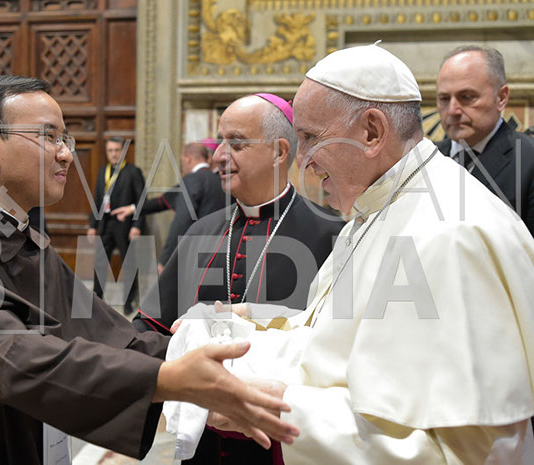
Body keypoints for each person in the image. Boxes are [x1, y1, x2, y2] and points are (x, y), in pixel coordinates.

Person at [0, 75, 300, 465]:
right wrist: (168, 381)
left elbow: (109, 334)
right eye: (49, 137)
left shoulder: (20, 234)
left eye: (65, 140)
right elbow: (10, 356)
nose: (66, 155)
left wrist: (201, 359)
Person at [205, 43, 534, 463]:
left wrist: (277, 409)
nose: (302, 161)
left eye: (310, 138)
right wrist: (251, 324)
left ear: (372, 132)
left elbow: (466, 452)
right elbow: (337, 338)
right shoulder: (378, 207)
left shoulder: (453, 235)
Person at [134, 93, 344, 465]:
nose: (218, 155)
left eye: (236, 143)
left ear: (279, 152)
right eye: (220, 142)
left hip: (285, 445)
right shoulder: (201, 231)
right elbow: (151, 326)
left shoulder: (330, 235)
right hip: (204, 448)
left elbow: (338, 346)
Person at [436, 45, 534, 235]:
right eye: (444, 99)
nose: (453, 110)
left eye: (467, 97)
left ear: (501, 98)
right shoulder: (425, 158)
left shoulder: (528, 160)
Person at [112, 142, 226, 271]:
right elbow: (163, 200)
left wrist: (166, 260)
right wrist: (133, 208)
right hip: (220, 250)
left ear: (188, 159)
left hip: (197, 253)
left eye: (181, 161)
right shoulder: (220, 180)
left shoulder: (191, 180)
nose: (182, 166)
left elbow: (181, 221)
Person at [87, 136, 145, 314]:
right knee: (100, 262)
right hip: (105, 224)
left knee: (129, 263)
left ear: (123, 151)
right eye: (110, 151)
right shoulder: (103, 171)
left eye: (117, 150)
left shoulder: (133, 172)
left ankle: (128, 302)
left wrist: (137, 225)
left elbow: (142, 201)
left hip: (125, 226)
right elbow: (97, 199)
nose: (113, 154)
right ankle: (97, 298)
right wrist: (92, 225)